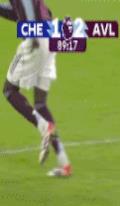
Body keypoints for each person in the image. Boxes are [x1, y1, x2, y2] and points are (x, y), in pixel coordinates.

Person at [0, 1, 72, 177]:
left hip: (36, 40)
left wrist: (33, 36)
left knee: (9, 90)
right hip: (50, 37)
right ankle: (65, 165)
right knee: (40, 105)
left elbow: (26, 7)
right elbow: (42, 11)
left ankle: (43, 126)